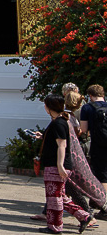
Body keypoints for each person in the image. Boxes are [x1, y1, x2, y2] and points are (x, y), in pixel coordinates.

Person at [38, 94, 93, 233]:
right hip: (56, 164)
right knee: (60, 196)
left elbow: (62, 145)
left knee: (54, 198)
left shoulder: (59, 122)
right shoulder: (59, 121)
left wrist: (60, 165)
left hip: (55, 165)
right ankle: (84, 216)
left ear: (49, 108)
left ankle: (55, 226)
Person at [81, 85, 107, 191]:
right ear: (102, 94)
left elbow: (84, 129)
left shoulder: (87, 108)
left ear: (90, 95)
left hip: (98, 144)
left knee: (102, 174)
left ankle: (104, 203)